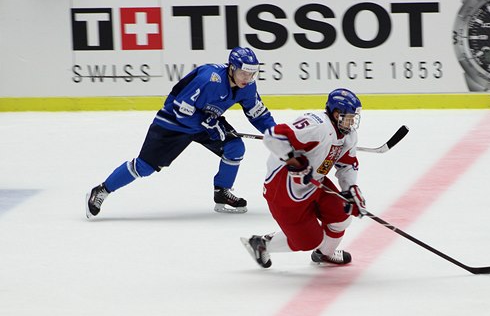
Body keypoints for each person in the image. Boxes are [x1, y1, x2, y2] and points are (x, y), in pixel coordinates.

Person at [86, 47, 276, 218]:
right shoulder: (209, 78)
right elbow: (179, 108)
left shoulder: (247, 87)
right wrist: (209, 125)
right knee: (144, 167)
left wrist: (277, 133)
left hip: (206, 121)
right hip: (173, 123)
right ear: (231, 68)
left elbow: (257, 114)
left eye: (251, 74)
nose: (247, 79)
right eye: (243, 73)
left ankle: (222, 191)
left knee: (234, 147)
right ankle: (102, 189)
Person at [240, 88, 367, 268]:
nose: (352, 122)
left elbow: (347, 164)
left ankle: (325, 254)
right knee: (309, 241)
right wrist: (293, 161)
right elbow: (273, 136)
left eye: (354, 117)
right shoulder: (316, 125)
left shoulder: (348, 136)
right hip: (283, 190)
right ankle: (261, 244)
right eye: (348, 117)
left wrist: (350, 189)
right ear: (336, 113)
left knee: (342, 216)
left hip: (315, 183)